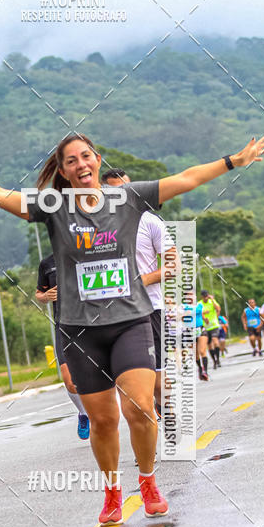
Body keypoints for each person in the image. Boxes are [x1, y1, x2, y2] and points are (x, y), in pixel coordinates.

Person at [0, 133, 264, 527]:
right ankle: (111, 490)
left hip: (130, 321)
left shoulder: (128, 198)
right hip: (80, 330)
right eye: (70, 161)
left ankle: (147, 482)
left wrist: (235, 161)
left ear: (97, 159)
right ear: (63, 171)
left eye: (86, 156)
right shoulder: (53, 206)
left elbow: (188, 177)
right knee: (104, 421)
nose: (81, 165)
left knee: (140, 407)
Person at [103, 169, 178, 418]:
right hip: (113, 315)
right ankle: (145, 447)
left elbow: (174, 265)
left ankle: (162, 405)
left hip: (150, 308)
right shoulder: (95, 226)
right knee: (133, 388)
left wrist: (140, 281)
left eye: (125, 189)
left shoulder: (150, 221)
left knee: (157, 382)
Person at [36, 253, 90, 439]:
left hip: (91, 323)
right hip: (64, 327)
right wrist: (45, 296)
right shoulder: (47, 263)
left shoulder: (86, 256)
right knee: (70, 381)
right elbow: (38, 293)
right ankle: (84, 414)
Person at [198, 290, 222, 369]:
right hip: (206, 326)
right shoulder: (199, 303)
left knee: (215, 341)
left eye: (207, 296)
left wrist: (212, 300)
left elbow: (218, 309)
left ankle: (218, 359)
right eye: (204, 296)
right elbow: (199, 314)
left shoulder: (212, 301)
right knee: (210, 346)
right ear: (202, 296)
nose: (206, 298)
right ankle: (214, 360)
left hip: (214, 325)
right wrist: (204, 315)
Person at [195, 299, 209, 380]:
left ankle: (205, 372)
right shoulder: (183, 306)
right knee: (196, 355)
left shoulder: (199, 305)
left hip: (200, 329)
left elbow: (198, 310)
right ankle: (200, 368)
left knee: (202, 351)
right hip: (189, 332)